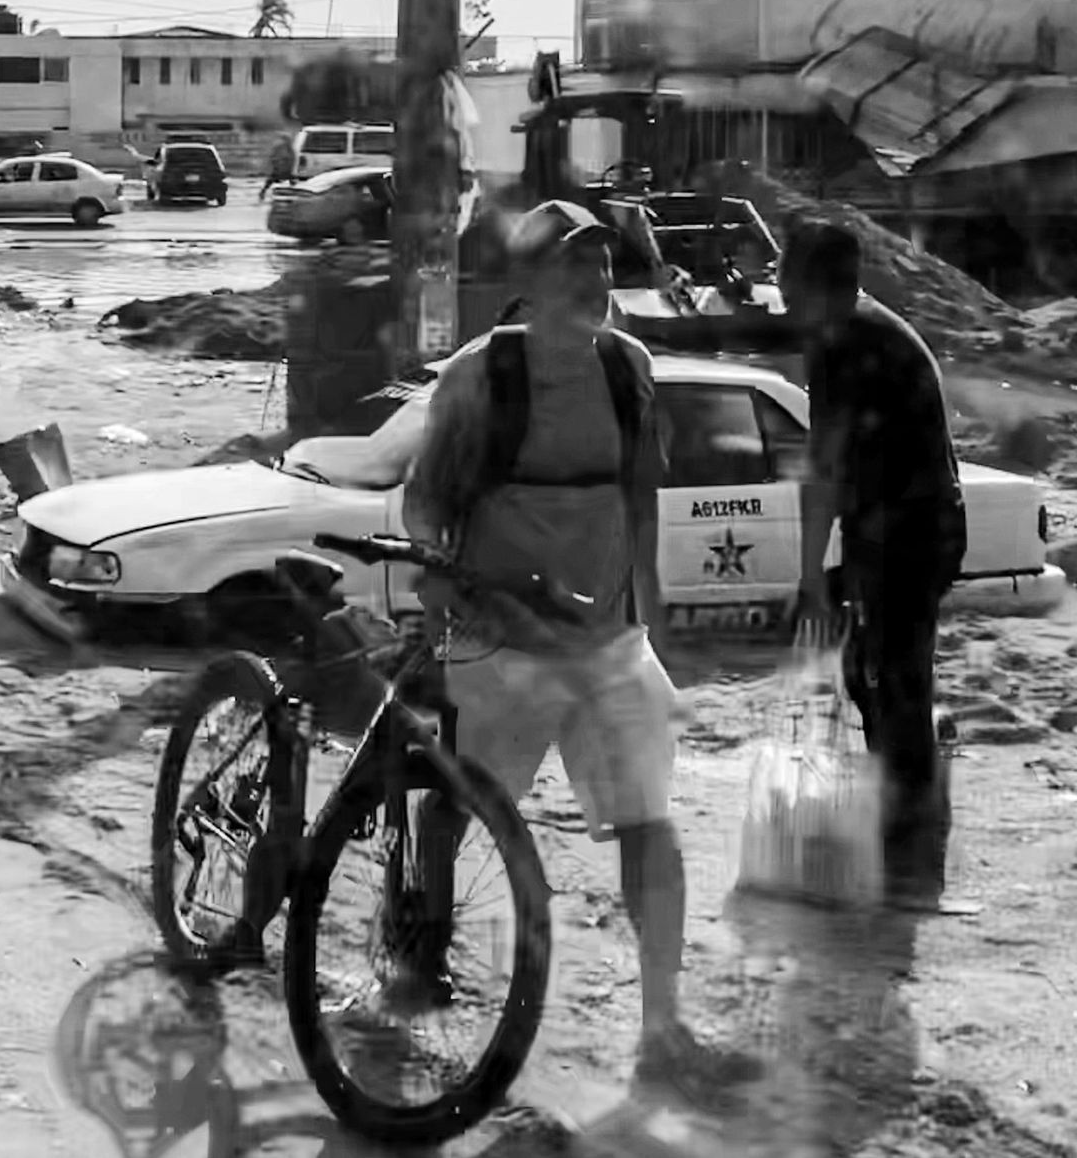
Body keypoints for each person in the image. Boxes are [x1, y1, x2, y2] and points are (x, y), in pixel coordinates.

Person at [403, 199, 762, 1101]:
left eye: (603, 270)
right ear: (528, 283)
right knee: (465, 807)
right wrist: (442, 576)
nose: (595, 286)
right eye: (574, 270)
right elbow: (422, 504)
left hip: (610, 641)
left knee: (651, 826)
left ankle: (662, 1027)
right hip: (503, 643)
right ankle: (422, 946)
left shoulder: (626, 364)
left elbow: (642, 496)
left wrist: (656, 615)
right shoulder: (482, 375)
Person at [780, 220, 967, 912]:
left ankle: (911, 865)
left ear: (807, 281)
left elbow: (823, 471)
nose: (777, 287)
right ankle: (905, 808)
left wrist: (809, 576)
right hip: (900, 529)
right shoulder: (857, 326)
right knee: (872, 672)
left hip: (910, 535)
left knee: (894, 683)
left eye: (783, 274)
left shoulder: (844, 340)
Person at [259, 135, 295, 201]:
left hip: (285, 168)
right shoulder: (280, 147)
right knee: (271, 180)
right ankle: (262, 193)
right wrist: (276, 163)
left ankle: (263, 192)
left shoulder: (288, 147)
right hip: (281, 168)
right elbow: (274, 157)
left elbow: (291, 158)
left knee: (291, 179)